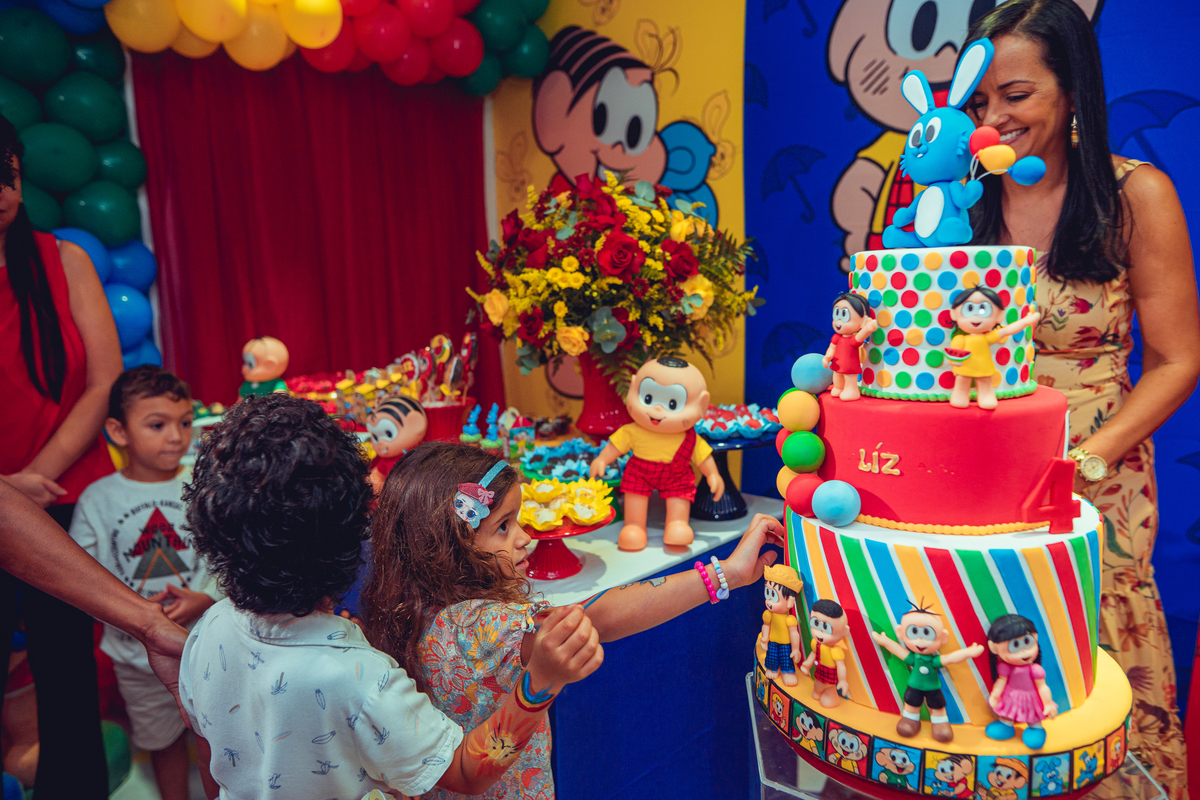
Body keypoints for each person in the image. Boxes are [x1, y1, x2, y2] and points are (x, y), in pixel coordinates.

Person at [966, 1, 1200, 792]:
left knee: (1093, 669)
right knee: (990, 657)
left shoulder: (1138, 195)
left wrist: (1087, 461)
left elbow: (1176, 360)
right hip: (983, 477)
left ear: (1072, 93)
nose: (995, 117)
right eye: (981, 101)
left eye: (1017, 95)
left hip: (1095, 476)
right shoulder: (965, 197)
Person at [179, 395, 602, 799]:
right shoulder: (358, 675)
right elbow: (465, 772)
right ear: (350, 532)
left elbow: (209, 754)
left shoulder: (210, 626)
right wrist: (538, 683)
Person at [361, 441, 785, 800]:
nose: (525, 537)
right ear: (445, 547)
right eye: (504, 527)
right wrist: (726, 574)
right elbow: (596, 617)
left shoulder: (401, 607)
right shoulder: (482, 625)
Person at [0, 113, 123, 797]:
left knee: (69, 679)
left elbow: (104, 380)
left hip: (62, 497)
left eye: (7, 169)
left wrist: (30, 481)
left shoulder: (63, 259)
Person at [68, 366, 218, 800]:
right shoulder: (98, 499)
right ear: (118, 430)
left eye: (185, 423)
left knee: (213, 741)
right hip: (133, 659)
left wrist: (205, 597)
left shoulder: (202, 486)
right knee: (161, 742)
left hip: (205, 650)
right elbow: (80, 573)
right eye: (158, 425)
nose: (176, 436)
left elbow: (228, 558)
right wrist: (134, 614)